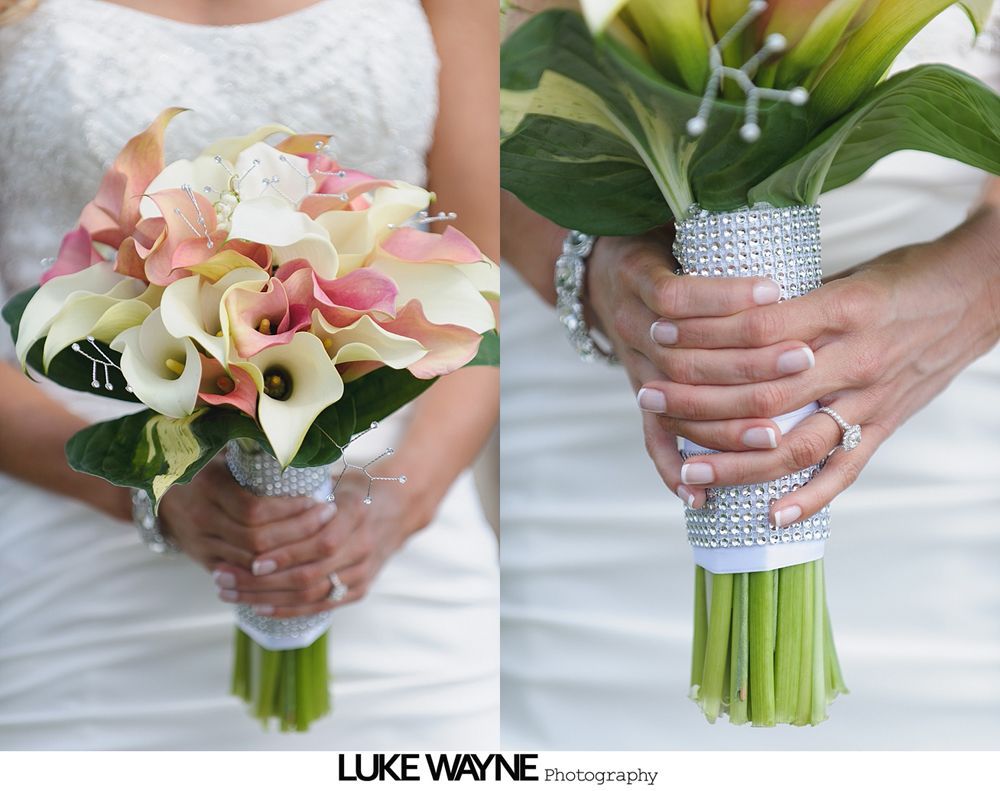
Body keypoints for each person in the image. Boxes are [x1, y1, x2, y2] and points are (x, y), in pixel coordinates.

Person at [0, 0, 500, 749]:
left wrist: (401, 506)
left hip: (401, 584)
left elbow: (480, 289)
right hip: (82, 595)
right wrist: (149, 492)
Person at [500, 4, 1000, 748]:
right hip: (589, 491)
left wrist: (970, 298)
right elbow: (456, 109)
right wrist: (592, 274)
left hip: (940, 459)